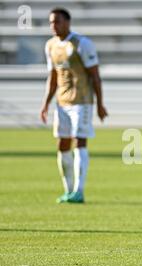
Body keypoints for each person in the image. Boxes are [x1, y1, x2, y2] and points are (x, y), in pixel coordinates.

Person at [40, 8, 108, 203]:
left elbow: (95, 75)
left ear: (68, 23)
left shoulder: (82, 44)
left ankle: (79, 190)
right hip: (61, 103)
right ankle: (68, 190)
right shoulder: (50, 45)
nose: (54, 25)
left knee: (80, 142)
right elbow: (53, 77)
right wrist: (45, 104)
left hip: (82, 101)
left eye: (58, 22)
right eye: (51, 22)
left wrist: (100, 104)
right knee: (62, 144)